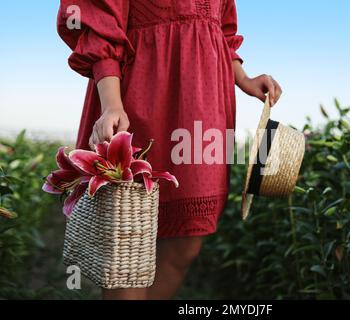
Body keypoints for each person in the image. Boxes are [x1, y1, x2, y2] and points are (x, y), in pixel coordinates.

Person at [57, 0, 282, 300]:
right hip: (140, 94)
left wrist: (243, 78)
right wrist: (111, 104)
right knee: (128, 244)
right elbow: (100, 22)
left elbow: (221, 30)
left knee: (186, 243)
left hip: (204, 109)